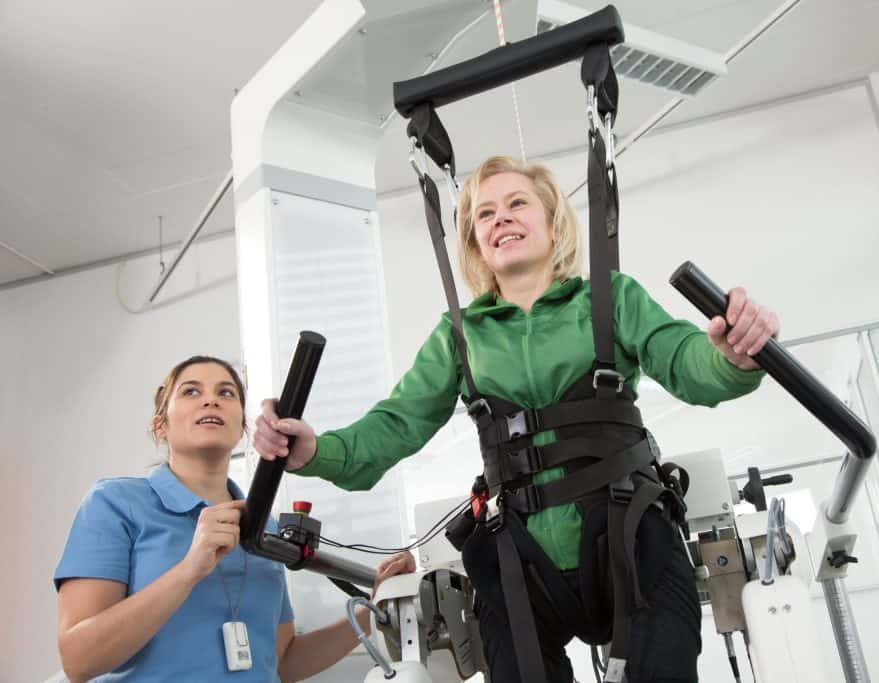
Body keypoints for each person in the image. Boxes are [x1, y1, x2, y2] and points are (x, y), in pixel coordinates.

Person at [254, 156, 780, 683]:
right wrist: (316, 450)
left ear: (552, 223)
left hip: (631, 536)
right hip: (520, 558)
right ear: (476, 243)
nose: (500, 218)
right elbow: (395, 424)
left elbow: (689, 361)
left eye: (516, 204)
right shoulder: (459, 336)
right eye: (484, 215)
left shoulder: (611, 298)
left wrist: (731, 358)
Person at [54, 355, 416, 682]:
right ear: (160, 425)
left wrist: (374, 609)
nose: (211, 399)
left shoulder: (264, 528)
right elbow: (80, 660)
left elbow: (281, 661)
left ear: (242, 426)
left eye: (226, 393)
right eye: (191, 391)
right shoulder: (115, 504)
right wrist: (189, 570)